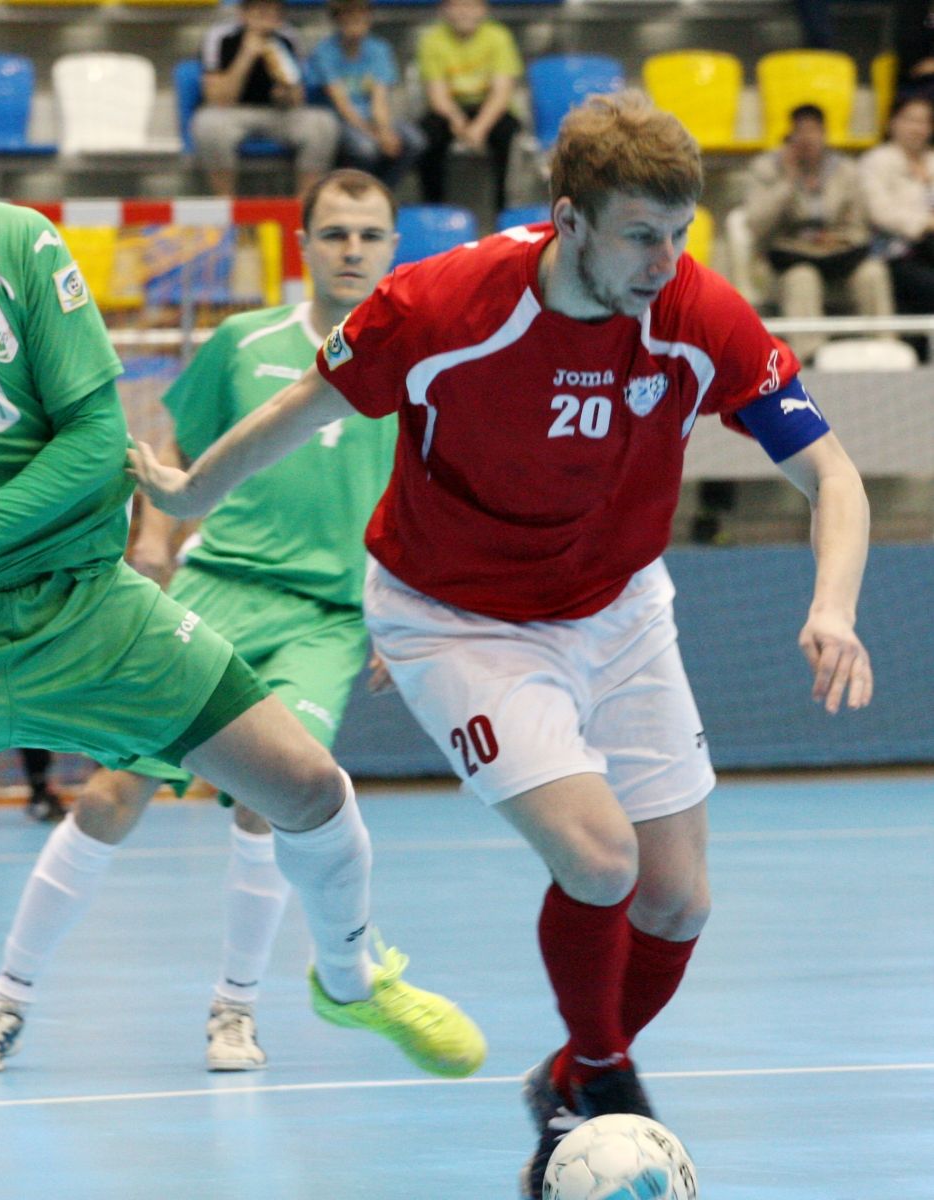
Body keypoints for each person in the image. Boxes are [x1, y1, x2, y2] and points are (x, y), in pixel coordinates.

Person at [0, 46, 484, 1200]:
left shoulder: (21, 249)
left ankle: (352, 974)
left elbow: (93, 442)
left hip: (86, 608)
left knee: (307, 786)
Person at [128, 90, 874, 1197]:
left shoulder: (695, 311)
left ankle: (564, 1078)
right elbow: (302, 409)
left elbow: (832, 474)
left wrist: (832, 608)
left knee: (677, 900)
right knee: (601, 858)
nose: (663, 262)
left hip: (617, 605)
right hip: (455, 619)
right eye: (639, 235)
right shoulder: (441, 304)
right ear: (568, 219)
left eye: (678, 235)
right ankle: (602, 1079)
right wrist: (190, 493)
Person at [0, 167, 402, 1077]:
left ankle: (236, 1010)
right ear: (303, 246)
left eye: (370, 235)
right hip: (217, 589)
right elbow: (179, 449)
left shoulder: (419, 360)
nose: (352, 250)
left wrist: (406, 610)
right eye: (335, 233)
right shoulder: (244, 342)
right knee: (112, 794)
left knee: (274, 802)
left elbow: (430, 497)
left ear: (394, 247)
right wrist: (154, 540)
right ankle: (5, 998)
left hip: (325, 616)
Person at [744, 103, 894, 363]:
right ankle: (809, 358)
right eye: (801, 131)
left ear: (824, 134)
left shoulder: (845, 170)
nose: (808, 138)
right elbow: (756, 224)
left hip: (838, 256)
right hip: (786, 261)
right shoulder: (766, 168)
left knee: (872, 273)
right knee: (803, 277)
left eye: (814, 131)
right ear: (790, 135)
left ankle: (886, 350)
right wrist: (788, 182)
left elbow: (859, 226)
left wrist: (838, 239)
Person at [192, 0, 340, 197]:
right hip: (231, 113)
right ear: (244, 13)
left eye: (275, 12)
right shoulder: (221, 37)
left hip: (279, 114)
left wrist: (286, 95)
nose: (269, 17)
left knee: (323, 123)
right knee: (207, 124)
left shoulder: (288, 38)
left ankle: (305, 204)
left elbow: (298, 98)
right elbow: (217, 99)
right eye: (261, 11)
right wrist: (247, 54)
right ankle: (226, 203)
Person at [304, 0, 427, 190]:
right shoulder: (324, 52)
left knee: (415, 141)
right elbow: (341, 104)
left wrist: (384, 131)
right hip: (338, 120)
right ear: (337, 21)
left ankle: (384, 191)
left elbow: (379, 99)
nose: (356, 25)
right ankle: (356, 192)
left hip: (372, 117)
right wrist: (373, 135)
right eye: (349, 19)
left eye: (361, 18)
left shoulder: (379, 50)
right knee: (365, 148)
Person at [415, 0, 522, 215]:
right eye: (458, 5)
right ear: (444, 9)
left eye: (471, 5)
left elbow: (501, 93)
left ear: (484, 9)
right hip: (450, 108)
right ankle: (434, 209)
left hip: (489, 107)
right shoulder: (432, 39)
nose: (465, 12)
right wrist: (458, 122)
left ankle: (504, 210)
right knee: (428, 134)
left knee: (506, 132)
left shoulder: (499, 36)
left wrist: (479, 128)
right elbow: (437, 95)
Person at [859, 94, 934, 324]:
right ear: (892, 122)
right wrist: (925, 223)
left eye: (924, 121)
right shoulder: (876, 161)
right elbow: (879, 212)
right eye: (911, 120)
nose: (917, 128)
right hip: (895, 253)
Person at [17, 747, 66, 822]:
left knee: (39, 778)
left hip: (38, 759)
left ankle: (45, 805)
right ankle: (42, 805)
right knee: (38, 778)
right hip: (35, 758)